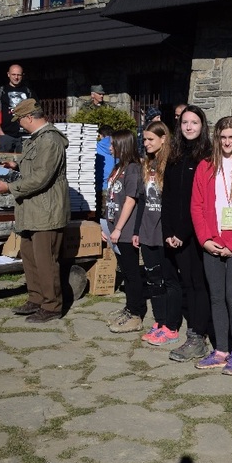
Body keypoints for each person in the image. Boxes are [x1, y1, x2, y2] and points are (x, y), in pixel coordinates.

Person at [0, 99, 69, 323]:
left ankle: (52, 306)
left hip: (46, 211)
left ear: (29, 118)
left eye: (20, 120)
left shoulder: (50, 140)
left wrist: (9, 188)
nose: (19, 124)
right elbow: (36, 168)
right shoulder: (36, 139)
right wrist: (16, 166)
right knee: (30, 257)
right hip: (31, 210)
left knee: (46, 261)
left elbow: (41, 177)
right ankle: (36, 298)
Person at [190, 116, 232, 375]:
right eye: (223, 137)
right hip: (211, 241)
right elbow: (197, 206)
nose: (227, 142)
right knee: (216, 296)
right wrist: (206, 239)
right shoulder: (205, 167)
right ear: (216, 139)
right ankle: (220, 350)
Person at [163, 105, 214, 362]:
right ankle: (195, 331)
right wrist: (168, 230)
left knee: (199, 283)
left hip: (198, 232)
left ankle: (198, 335)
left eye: (194, 122)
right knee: (189, 284)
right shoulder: (175, 155)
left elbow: (201, 201)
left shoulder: (207, 156)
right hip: (176, 234)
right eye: (185, 122)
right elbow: (169, 196)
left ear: (202, 126)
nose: (189, 127)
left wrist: (183, 232)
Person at [132, 121, 183, 347]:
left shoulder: (171, 164)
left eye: (150, 139)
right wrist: (137, 231)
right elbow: (142, 200)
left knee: (169, 279)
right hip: (147, 230)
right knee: (153, 279)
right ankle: (160, 321)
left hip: (165, 232)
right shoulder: (147, 164)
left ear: (163, 139)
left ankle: (171, 327)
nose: (146, 143)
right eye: (144, 139)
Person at [100, 131, 145, 333]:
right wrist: (107, 226)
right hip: (113, 227)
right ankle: (129, 307)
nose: (110, 148)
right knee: (125, 271)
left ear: (123, 145)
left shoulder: (133, 169)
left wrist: (118, 228)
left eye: (113, 144)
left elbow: (130, 200)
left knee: (131, 272)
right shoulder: (119, 167)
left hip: (125, 230)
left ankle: (136, 313)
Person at [0, 64, 32, 153]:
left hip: (25, 136)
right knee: (4, 161)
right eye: (13, 74)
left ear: (22, 75)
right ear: (8, 74)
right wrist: (1, 133)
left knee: (24, 161)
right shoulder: (1, 91)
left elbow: (36, 112)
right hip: (6, 135)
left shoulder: (28, 92)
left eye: (19, 75)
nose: (16, 77)